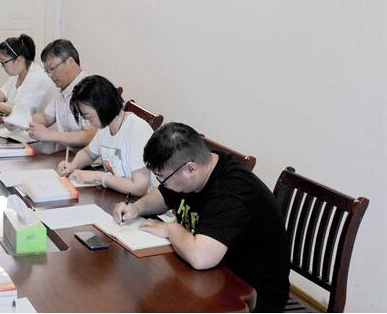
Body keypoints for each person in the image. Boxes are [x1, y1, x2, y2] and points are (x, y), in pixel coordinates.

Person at [114, 123, 289, 313]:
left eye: (162, 178)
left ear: (190, 169)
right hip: (211, 278)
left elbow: (201, 258)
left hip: (251, 296)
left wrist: (171, 228)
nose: (162, 183)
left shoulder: (232, 192)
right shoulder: (199, 168)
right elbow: (164, 195)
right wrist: (137, 208)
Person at [56, 75, 152, 196]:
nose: (88, 122)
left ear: (103, 106)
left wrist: (99, 177)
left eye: (88, 116)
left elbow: (139, 188)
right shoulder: (106, 127)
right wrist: (72, 166)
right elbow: (88, 153)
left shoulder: (137, 129)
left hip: (140, 202)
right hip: (118, 197)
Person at [27, 39, 97, 147]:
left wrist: (50, 135)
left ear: (70, 62)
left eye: (52, 68)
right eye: (47, 71)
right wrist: (20, 121)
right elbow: (46, 117)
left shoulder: (91, 88)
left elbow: (90, 136)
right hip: (67, 153)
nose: (50, 75)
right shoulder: (62, 89)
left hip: (87, 156)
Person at [0, 34, 56, 117]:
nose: (2, 66)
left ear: (19, 60)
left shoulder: (38, 79)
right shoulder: (18, 73)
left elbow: (23, 111)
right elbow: (4, 92)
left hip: (36, 123)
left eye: (4, 62)